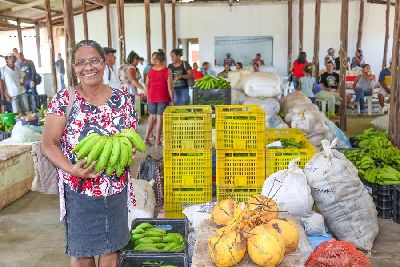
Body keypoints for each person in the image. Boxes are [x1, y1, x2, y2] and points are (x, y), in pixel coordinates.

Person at [41, 40, 138, 267]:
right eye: (81, 62)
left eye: (94, 60)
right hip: (79, 191)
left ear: (104, 63)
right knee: (83, 255)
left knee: (111, 254)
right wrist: (72, 169)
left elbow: (130, 137)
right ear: (74, 68)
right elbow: (49, 143)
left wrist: (129, 150)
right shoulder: (64, 99)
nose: (88, 67)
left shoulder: (122, 99)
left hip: (115, 188)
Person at [144, 49, 173, 147]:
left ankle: (146, 139)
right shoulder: (167, 70)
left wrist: (147, 97)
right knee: (160, 118)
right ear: (163, 59)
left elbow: (147, 85)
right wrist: (172, 99)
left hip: (152, 96)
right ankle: (157, 141)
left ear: (157, 60)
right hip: (163, 97)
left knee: (152, 117)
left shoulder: (150, 70)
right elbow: (170, 86)